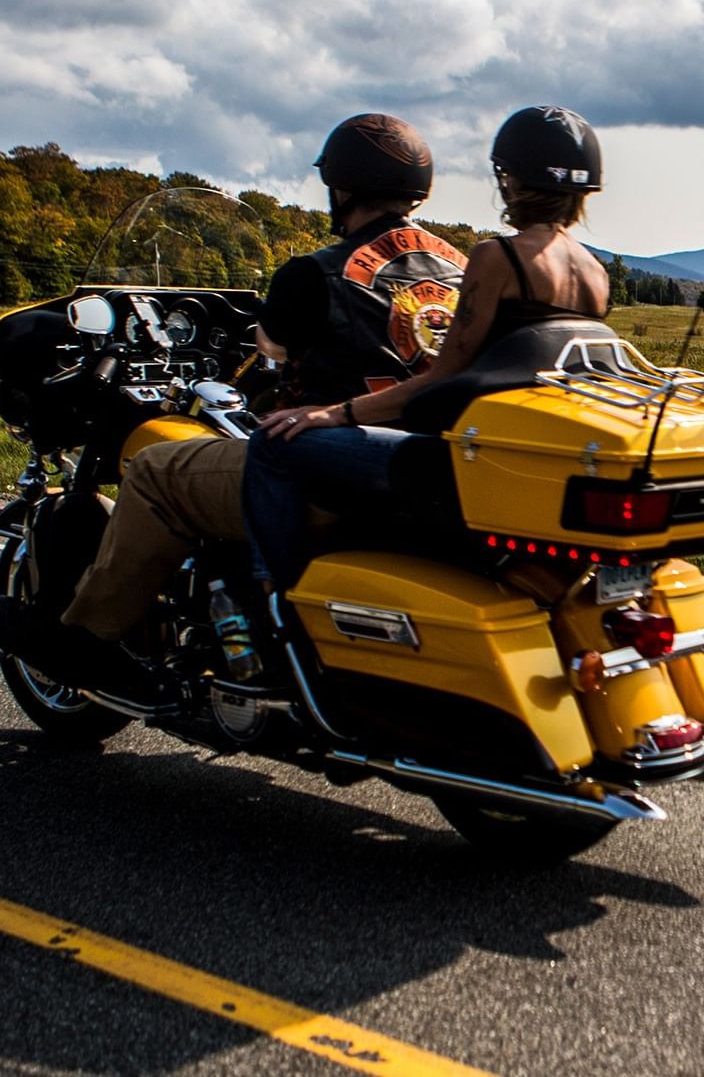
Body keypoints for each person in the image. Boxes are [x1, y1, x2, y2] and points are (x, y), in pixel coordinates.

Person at [0, 113, 463, 697]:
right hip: (418, 473)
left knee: (154, 474)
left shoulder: (316, 271)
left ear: (342, 186)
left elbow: (270, 345)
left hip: (325, 475)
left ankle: (86, 642)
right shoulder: (461, 269)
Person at [245, 105, 609, 592]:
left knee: (271, 445)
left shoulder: (498, 258)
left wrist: (337, 413)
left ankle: (274, 600)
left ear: (511, 180)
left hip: (450, 458)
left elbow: (443, 375)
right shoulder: (595, 274)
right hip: (520, 454)